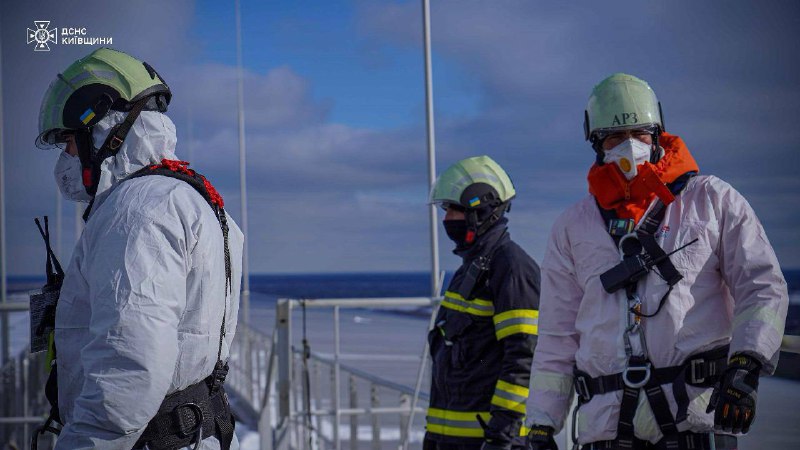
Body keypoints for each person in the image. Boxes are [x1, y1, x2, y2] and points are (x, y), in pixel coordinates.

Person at [525, 73, 789, 450]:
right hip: (608, 430)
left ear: (658, 133)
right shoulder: (572, 227)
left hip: (696, 424)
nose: (629, 146)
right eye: (615, 137)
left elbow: (762, 287)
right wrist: (540, 424)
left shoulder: (712, 202)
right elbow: (557, 338)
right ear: (596, 143)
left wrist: (746, 364)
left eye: (640, 134)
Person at [36, 48, 244, 449]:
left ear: (100, 130)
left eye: (68, 143)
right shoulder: (188, 197)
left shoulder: (137, 211)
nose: (65, 158)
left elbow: (128, 368)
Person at [425, 156, 541, 450]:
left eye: (455, 209)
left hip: (485, 442)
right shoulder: (470, 269)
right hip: (448, 440)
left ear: (482, 210)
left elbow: (524, 360)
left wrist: (501, 437)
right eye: (445, 209)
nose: (447, 218)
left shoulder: (512, 268)